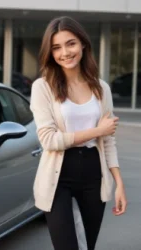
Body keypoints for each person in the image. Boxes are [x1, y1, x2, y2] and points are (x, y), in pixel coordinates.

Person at [29, 16, 127, 250]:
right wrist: (96, 130)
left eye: (70, 43)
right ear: (50, 52)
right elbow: (49, 140)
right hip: (58, 176)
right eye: (56, 47)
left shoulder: (101, 88)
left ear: (83, 43)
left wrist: (119, 182)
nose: (65, 52)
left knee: (86, 247)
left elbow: (108, 139)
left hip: (94, 175)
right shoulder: (42, 87)